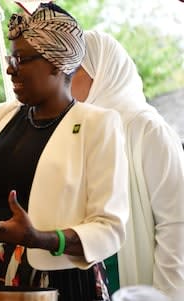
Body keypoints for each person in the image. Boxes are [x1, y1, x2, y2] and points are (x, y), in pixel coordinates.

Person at [0, 3, 129, 301]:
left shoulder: (98, 124)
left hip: (59, 282)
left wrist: (40, 239)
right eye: (9, 58)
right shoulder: (2, 116)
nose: (10, 69)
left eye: (21, 59)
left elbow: (110, 230)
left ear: (57, 62)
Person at [71, 30, 184, 297]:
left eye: (74, 71)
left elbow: (176, 224)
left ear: (102, 73)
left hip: (135, 280)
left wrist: (164, 295)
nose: (64, 81)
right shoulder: (77, 130)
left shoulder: (146, 128)